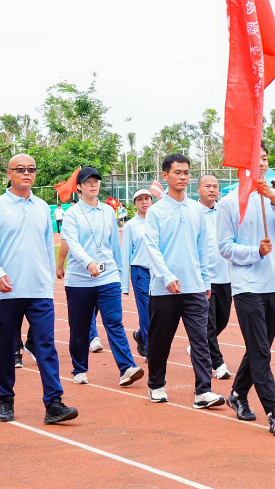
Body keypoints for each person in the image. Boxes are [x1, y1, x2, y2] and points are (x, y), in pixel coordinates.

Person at [0, 154, 77, 424]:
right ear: (9, 173)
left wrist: (48, 279)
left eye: (31, 169)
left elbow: (48, 245)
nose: (27, 173)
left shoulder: (42, 207)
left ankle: (54, 403)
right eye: (20, 169)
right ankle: (6, 401)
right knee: (5, 347)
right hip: (7, 290)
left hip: (39, 290)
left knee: (46, 345)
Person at [217, 141, 275, 436]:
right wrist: (255, 251)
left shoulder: (273, 196)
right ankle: (274, 412)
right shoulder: (228, 204)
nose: (261, 164)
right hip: (246, 285)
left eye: (264, 159)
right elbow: (225, 247)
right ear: (242, 166)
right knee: (261, 351)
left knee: (259, 348)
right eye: (255, 159)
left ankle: (238, 393)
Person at [142, 153, 224, 409]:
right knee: (160, 340)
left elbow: (203, 248)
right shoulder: (155, 212)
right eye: (178, 172)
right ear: (165, 175)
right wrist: (166, 276)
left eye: (187, 173)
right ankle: (156, 384)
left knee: (200, 339)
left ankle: (203, 391)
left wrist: (206, 280)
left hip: (195, 287)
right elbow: (151, 248)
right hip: (164, 289)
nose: (183, 177)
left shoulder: (197, 210)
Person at [62, 167, 142, 387]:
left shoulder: (108, 211)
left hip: (107, 279)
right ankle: (79, 369)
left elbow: (113, 244)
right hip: (79, 280)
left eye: (96, 181)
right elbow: (73, 244)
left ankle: (127, 368)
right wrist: (88, 263)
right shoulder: (71, 214)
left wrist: (119, 276)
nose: (93, 185)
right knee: (79, 326)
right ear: (79, 187)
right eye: (88, 182)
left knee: (114, 322)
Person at [198, 174, 232, 380]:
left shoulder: (224, 211)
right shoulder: (194, 213)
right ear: (199, 189)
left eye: (215, 186)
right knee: (208, 323)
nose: (212, 190)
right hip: (203, 278)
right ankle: (218, 363)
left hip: (225, 276)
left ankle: (199, 346)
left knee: (223, 320)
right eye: (207, 186)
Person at [121, 188, 154, 357]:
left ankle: (141, 335)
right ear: (135, 204)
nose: (144, 202)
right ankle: (150, 350)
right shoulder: (130, 226)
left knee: (159, 311)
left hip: (158, 273)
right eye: (139, 199)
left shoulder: (158, 222)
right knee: (146, 310)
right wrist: (124, 285)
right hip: (140, 272)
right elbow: (125, 254)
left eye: (147, 198)